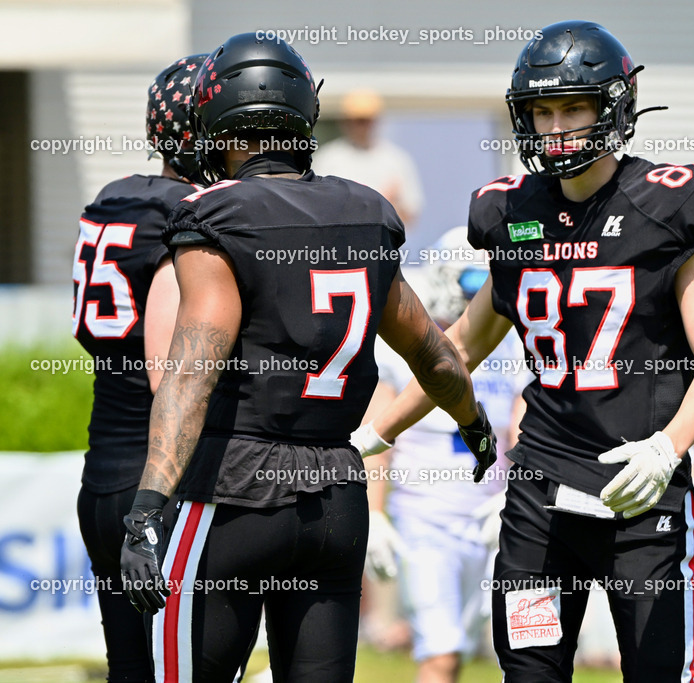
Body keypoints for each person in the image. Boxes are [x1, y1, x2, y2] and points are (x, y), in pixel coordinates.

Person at [353, 20, 694, 682]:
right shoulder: (515, 215)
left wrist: (667, 448)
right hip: (541, 498)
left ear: (611, 108)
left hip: (640, 495)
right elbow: (457, 351)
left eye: (573, 108)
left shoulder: (671, 206)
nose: (556, 126)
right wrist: (375, 432)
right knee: (531, 672)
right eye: (543, 111)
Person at [116, 33, 497, 683]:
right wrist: (474, 422)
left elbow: (192, 372)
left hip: (232, 490)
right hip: (335, 498)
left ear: (218, 119)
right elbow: (432, 353)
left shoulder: (217, 212)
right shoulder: (366, 211)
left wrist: (148, 505)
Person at [73, 54, 205, 683]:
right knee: (185, 664)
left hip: (101, 467)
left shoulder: (114, 196)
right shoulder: (192, 214)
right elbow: (172, 376)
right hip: (160, 479)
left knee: (131, 666)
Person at [362, 229, 529, 682]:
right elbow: (379, 440)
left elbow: (520, 423)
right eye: (468, 283)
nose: (475, 297)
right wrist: (375, 514)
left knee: (522, 648)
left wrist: (517, 498)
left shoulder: (507, 342)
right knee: (441, 654)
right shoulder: (404, 348)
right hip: (427, 520)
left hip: (493, 517)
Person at [313, 89, 425, 228]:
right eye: (357, 120)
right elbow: (315, 207)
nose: (362, 126)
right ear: (345, 122)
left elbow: (411, 215)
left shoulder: (396, 160)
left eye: (366, 120)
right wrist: (380, 204)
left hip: (383, 244)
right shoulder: (328, 159)